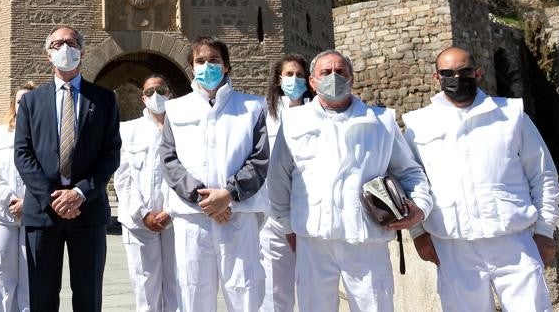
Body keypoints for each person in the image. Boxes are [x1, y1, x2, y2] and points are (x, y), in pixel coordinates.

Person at [267, 49, 432, 312]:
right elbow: (278, 180)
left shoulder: (381, 121)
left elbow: (410, 172)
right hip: (314, 239)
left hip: (366, 240)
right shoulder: (294, 122)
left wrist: (420, 207)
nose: (333, 76)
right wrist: (288, 227)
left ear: (351, 78)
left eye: (340, 71)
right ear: (312, 82)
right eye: (326, 72)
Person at [403, 46, 559, 312]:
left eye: (464, 71)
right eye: (448, 73)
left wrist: (545, 231)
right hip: (453, 247)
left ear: (477, 73)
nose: (457, 77)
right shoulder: (419, 125)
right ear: (436, 77)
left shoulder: (511, 115)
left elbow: (543, 174)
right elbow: (410, 183)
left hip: (513, 242)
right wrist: (418, 233)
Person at [14, 25, 121, 312]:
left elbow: (110, 154)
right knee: (42, 297)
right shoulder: (31, 102)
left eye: (71, 43)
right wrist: (53, 197)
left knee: (88, 297)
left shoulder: (104, 99)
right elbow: (23, 155)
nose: (65, 48)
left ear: (82, 51)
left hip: (88, 211)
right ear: (48, 54)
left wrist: (80, 193)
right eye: (58, 44)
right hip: (42, 214)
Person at [160, 36, 269, 312]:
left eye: (214, 60)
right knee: (193, 291)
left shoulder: (253, 107)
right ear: (191, 68)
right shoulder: (175, 109)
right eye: (200, 61)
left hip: (238, 215)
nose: (207, 66)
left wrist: (229, 194)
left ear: (227, 66)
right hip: (193, 218)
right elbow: (169, 159)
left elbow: (259, 158)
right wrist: (205, 199)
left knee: (244, 290)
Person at [114, 75, 179, 312]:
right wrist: (142, 214)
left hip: (175, 220)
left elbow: (187, 173)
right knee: (145, 289)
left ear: (169, 93)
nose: (156, 95)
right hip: (139, 223)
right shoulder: (129, 130)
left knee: (177, 286)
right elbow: (123, 179)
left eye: (160, 90)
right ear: (143, 98)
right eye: (150, 92)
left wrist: (170, 211)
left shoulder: (182, 128)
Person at [259, 53, 313, 312]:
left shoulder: (318, 112)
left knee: (313, 286)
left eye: (300, 75)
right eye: (289, 74)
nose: (294, 79)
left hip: (310, 210)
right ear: (278, 80)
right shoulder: (264, 114)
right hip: (273, 213)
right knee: (275, 289)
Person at [0, 82, 37, 312]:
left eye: (29, 101)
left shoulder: (47, 134)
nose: (23, 105)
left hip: (33, 213)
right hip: (1, 214)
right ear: (13, 105)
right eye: (19, 101)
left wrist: (29, 202)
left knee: (31, 279)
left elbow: (49, 173)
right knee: (3, 277)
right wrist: (10, 199)